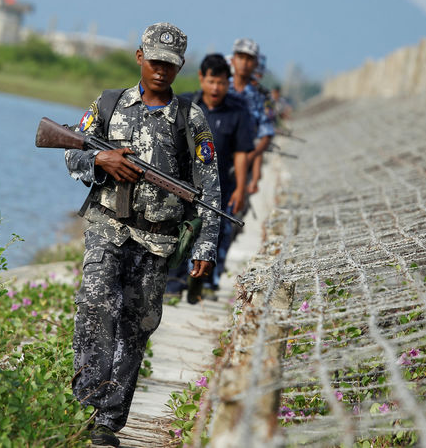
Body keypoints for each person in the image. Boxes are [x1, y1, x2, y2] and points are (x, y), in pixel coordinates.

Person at [64, 22, 221, 446]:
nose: (161, 71)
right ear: (139, 57)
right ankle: (83, 404)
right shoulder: (109, 104)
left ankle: (106, 424)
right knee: (95, 305)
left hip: (158, 242)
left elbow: (210, 189)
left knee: (137, 327)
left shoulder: (190, 118)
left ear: (180, 67)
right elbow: (70, 151)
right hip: (107, 228)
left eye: (170, 65)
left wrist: (205, 247)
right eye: (154, 61)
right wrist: (102, 161)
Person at [166, 54, 254, 302]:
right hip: (184, 183)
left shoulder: (238, 112)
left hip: (221, 185)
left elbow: (241, 152)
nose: (216, 88)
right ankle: (173, 283)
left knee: (214, 233)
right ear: (201, 79)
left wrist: (240, 189)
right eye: (212, 81)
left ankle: (201, 283)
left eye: (222, 83)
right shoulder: (185, 105)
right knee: (178, 231)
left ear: (229, 82)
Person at [228, 38, 274, 195]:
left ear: (255, 64)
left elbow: (265, 135)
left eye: (249, 59)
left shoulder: (259, 96)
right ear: (233, 60)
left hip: (243, 165)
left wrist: (248, 159)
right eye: (241, 57)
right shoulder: (220, 88)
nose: (244, 63)